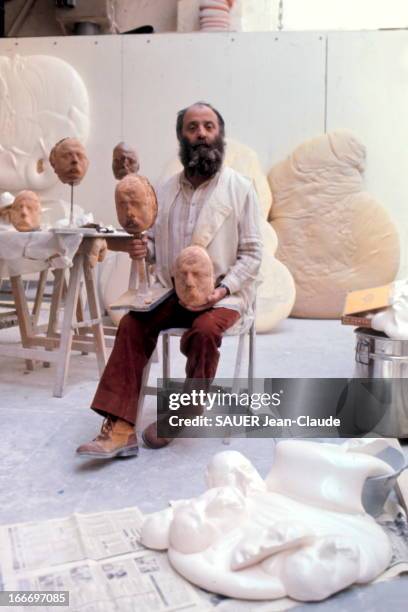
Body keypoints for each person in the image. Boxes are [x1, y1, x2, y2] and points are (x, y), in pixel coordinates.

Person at [76, 102, 262, 459]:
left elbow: (253, 254)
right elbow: (156, 246)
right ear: (182, 137)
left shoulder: (240, 189)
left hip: (223, 295)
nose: (202, 134)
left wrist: (222, 289)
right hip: (173, 292)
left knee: (205, 331)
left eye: (209, 126)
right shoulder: (163, 191)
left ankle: (187, 408)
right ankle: (120, 427)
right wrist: (141, 246)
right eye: (193, 128)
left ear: (220, 135)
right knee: (132, 325)